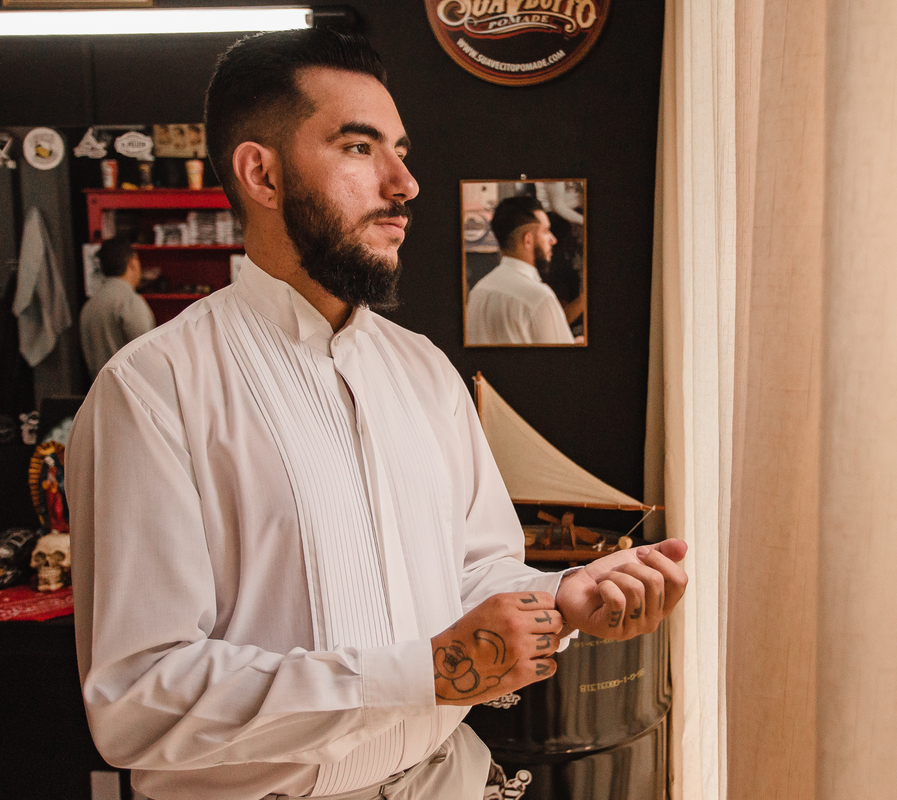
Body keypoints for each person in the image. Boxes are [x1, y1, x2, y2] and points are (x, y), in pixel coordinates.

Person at [65, 28, 687, 800]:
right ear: (262, 173)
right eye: (360, 148)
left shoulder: (423, 371)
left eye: (401, 150)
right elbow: (139, 700)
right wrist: (420, 674)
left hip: (451, 781)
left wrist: (562, 597)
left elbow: (475, 569)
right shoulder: (152, 391)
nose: (405, 183)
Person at [465, 195, 576, 345]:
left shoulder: (478, 292)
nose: (553, 240)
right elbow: (561, 357)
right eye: (545, 231)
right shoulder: (540, 297)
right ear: (528, 239)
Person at [78, 236, 155, 378]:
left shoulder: (89, 306)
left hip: (99, 387)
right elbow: (146, 354)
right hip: (129, 387)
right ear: (132, 262)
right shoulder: (129, 301)